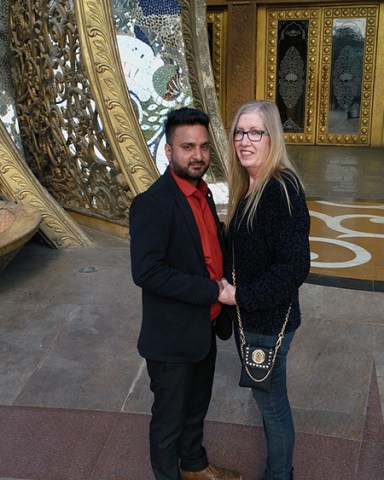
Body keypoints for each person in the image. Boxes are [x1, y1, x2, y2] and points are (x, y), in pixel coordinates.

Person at [129, 107, 242, 480]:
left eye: (204, 147)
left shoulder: (203, 193)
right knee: (168, 420)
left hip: (204, 327)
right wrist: (213, 290)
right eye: (188, 147)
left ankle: (194, 466)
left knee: (196, 408)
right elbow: (147, 272)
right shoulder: (152, 204)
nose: (198, 156)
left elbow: (208, 250)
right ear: (169, 151)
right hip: (172, 337)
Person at [218, 100, 311, 480]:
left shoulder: (280, 190)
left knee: (272, 404)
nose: (245, 140)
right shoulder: (250, 183)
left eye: (255, 132)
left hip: (269, 321)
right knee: (268, 399)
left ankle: (279, 474)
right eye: (240, 132)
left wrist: (241, 296)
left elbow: (294, 267)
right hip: (254, 317)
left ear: (272, 137)